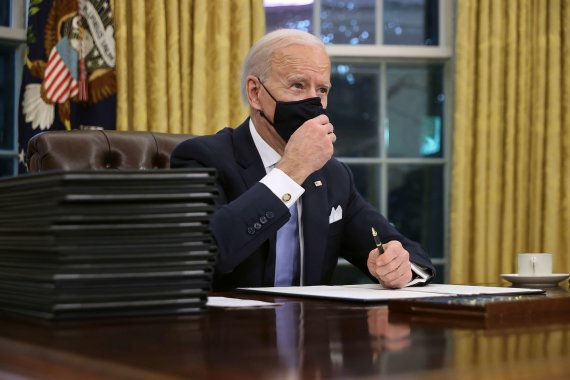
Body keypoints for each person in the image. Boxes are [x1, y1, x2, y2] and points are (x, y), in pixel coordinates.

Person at [171, 29, 435, 291]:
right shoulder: (203, 158)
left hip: (309, 327)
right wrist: (292, 170)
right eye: (297, 85)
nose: (313, 101)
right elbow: (204, 252)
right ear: (255, 93)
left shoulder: (333, 175)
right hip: (229, 328)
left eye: (321, 89)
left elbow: (405, 251)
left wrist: (398, 265)